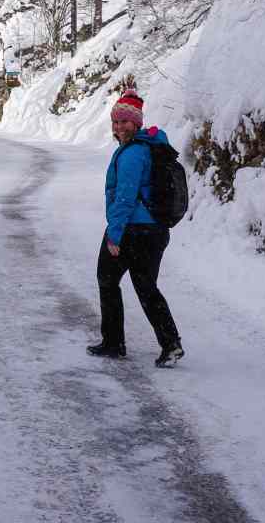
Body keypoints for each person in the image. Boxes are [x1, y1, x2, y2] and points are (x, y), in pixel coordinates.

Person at [86, 88, 184, 367]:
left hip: (132, 229)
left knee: (107, 280)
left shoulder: (132, 154)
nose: (119, 127)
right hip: (155, 230)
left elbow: (125, 198)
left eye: (125, 122)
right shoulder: (151, 146)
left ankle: (114, 343)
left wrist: (115, 234)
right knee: (146, 286)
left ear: (137, 123)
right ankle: (171, 344)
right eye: (115, 122)